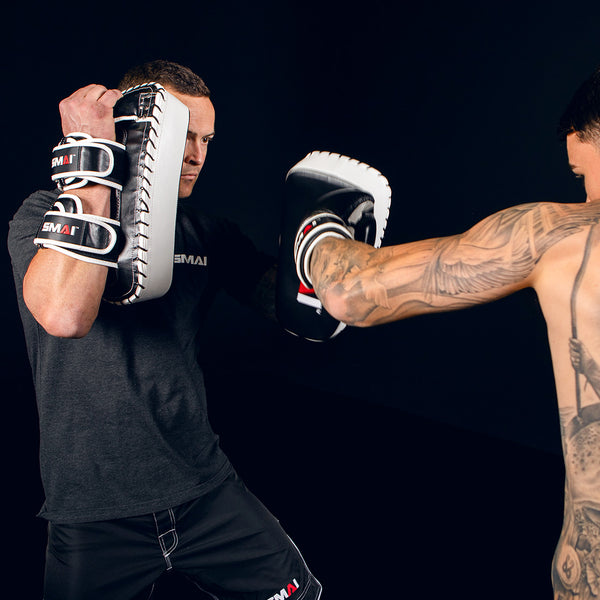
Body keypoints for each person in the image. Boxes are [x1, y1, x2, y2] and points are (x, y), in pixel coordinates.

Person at [7, 60, 322, 600]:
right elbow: (63, 316)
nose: (197, 155)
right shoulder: (41, 215)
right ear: (133, 127)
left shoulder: (206, 231)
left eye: (207, 139)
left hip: (203, 490)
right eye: (183, 135)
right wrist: (92, 167)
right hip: (95, 512)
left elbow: (295, 306)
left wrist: (332, 257)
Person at [282, 65, 600, 598]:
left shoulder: (561, 236)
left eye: (582, 172)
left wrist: (316, 233)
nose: (585, 190)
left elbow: (350, 293)